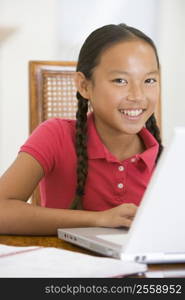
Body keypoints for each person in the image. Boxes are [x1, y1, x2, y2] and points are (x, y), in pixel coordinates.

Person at [0, 23, 163, 235]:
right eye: (120, 80)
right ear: (84, 86)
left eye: (149, 80)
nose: (138, 95)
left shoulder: (167, 161)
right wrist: (99, 220)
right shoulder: (55, 135)